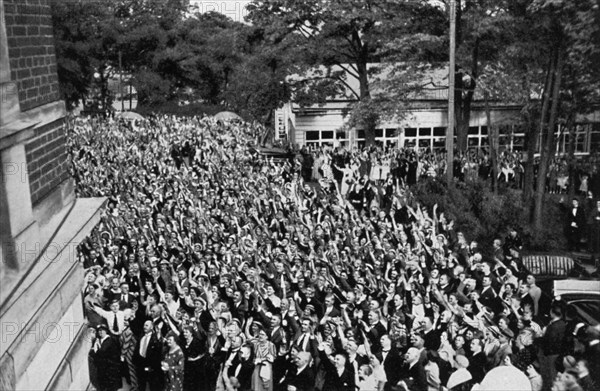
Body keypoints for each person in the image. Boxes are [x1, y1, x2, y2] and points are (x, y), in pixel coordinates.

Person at [91, 324, 122, 391]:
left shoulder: (109, 340)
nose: (100, 332)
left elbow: (102, 352)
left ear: (106, 331)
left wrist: (96, 350)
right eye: (99, 331)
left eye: (102, 330)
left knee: (110, 386)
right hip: (103, 367)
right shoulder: (99, 340)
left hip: (110, 367)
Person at [252, 326, 276, 391]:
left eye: (262, 334)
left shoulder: (271, 345)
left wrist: (269, 358)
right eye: (260, 334)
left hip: (266, 368)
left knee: (265, 387)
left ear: (267, 337)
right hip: (257, 368)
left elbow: (274, 357)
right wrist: (256, 360)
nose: (260, 336)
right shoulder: (256, 345)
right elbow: (253, 357)